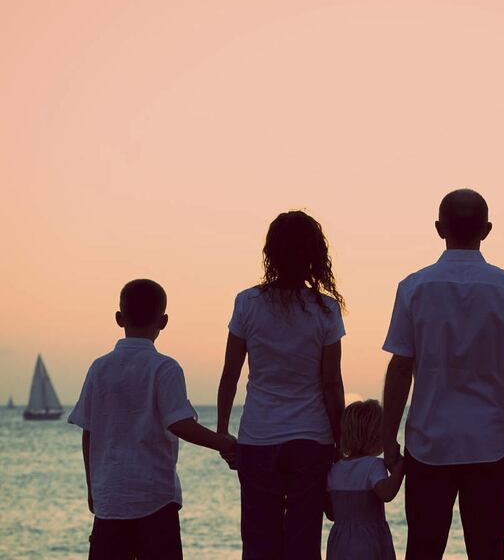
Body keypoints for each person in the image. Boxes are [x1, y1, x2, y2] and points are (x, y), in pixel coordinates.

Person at [381, 188, 504, 560]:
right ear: (487, 230)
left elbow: (401, 367)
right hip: (491, 442)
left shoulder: (413, 288)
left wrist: (388, 438)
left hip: (429, 441)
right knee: (488, 550)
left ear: (439, 228)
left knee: (423, 550)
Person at [68, 279, 236, 560]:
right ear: (163, 321)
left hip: (110, 499)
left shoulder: (99, 368)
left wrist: (92, 487)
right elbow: (180, 424)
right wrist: (226, 443)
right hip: (155, 498)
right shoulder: (165, 368)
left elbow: (89, 432)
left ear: (119, 318)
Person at [216, 210, 346, 560]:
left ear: (271, 252)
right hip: (311, 439)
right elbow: (331, 383)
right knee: (304, 541)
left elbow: (230, 373)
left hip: (258, 438)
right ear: (315, 255)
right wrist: (341, 440)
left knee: (259, 541)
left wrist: (223, 432)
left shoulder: (248, 302)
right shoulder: (326, 310)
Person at [325, 400, 404, 560]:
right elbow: (387, 493)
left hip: (340, 542)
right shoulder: (373, 465)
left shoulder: (335, 469)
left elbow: (331, 514)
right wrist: (400, 468)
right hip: (369, 541)